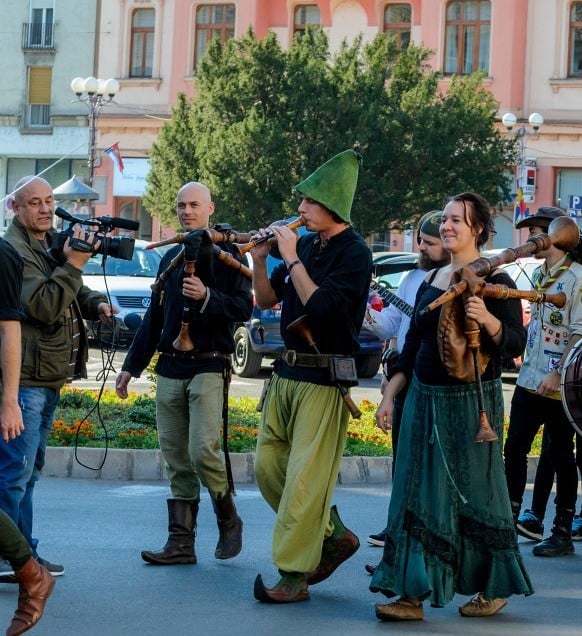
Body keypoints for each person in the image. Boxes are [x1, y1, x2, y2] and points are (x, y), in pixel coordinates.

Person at [371, 192, 533, 621]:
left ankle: (493, 586)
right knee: (416, 490)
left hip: (472, 404)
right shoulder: (433, 279)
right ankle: (412, 595)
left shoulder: (498, 280)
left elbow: (515, 345)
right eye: (444, 219)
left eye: (456, 220)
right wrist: (390, 394)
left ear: (477, 228)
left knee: (478, 493)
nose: (447, 226)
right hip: (424, 399)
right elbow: (412, 347)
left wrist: (489, 319)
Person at [250, 150, 371, 602]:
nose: (299, 211)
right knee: (267, 469)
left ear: (331, 207)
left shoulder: (355, 253)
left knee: (303, 483)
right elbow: (265, 301)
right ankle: (333, 532)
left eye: (308, 203)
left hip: (324, 381)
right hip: (285, 373)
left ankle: (292, 575)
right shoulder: (303, 245)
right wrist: (262, 260)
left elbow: (321, 308)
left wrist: (289, 255)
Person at [117, 182, 252, 566]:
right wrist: (131, 367)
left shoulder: (230, 255)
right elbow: (154, 318)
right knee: (175, 456)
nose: (186, 211)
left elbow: (245, 307)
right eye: (181, 205)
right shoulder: (171, 257)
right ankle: (181, 543)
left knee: (202, 450)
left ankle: (229, 519)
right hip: (171, 365)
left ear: (210, 208)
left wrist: (207, 298)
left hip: (210, 362)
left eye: (194, 204)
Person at [2, 176, 116, 578]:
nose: (46, 209)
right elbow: (43, 303)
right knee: (14, 475)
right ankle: (11, 558)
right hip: (27, 381)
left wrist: (95, 301)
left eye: (49, 200)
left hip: (46, 377)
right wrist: (76, 265)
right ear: (14, 209)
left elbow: (64, 286)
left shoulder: (43, 243)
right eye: (34, 203)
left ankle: (24, 555)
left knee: (28, 475)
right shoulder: (14, 251)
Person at [502, 206, 582, 557]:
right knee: (513, 450)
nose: (530, 240)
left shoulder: (580, 280)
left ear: (557, 236)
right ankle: (509, 522)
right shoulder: (542, 275)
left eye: (537, 232)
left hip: (560, 385)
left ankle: (562, 531)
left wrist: (557, 375)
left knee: (561, 456)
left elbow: (581, 333)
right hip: (530, 378)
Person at [365, 210, 449, 548]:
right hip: (403, 376)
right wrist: (365, 311)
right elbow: (392, 326)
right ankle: (396, 526)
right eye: (421, 242)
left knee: (426, 461)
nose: (423, 248)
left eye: (430, 243)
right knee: (401, 457)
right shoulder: (411, 278)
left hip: (433, 379)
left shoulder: (453, 278)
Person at [0, 235, 55, 636]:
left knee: (15, 480)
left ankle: (30, 572)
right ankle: (32, 573)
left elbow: (10, 329)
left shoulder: (3, 256)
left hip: (18, 386)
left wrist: (9, 400)